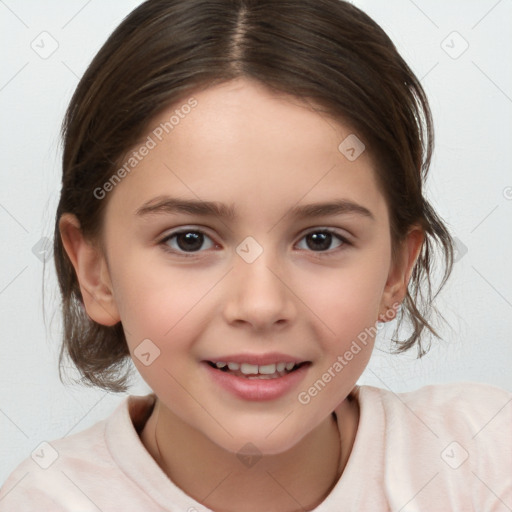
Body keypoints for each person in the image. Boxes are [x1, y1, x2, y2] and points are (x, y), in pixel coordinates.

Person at [1, 0, 510, 510]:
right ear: (96, 273)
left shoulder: (484, 461)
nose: (262, 305)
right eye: (190, 240)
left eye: (320, 239)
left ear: (396, 272)